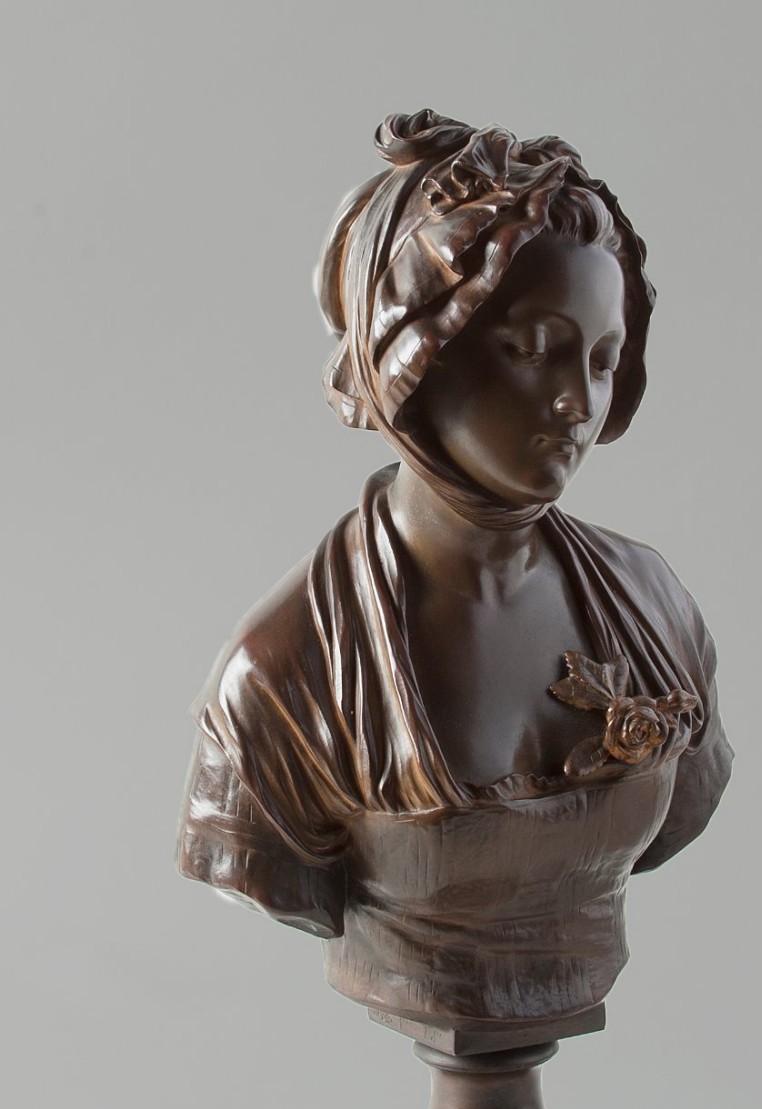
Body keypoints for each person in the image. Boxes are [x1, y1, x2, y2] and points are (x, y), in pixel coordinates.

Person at [177, 110, 733, 1027]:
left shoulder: (653, 602)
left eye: (603, 360)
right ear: (417, 352)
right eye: (533, 350)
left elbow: (684, 805)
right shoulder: (280, 671)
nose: (578, 402)